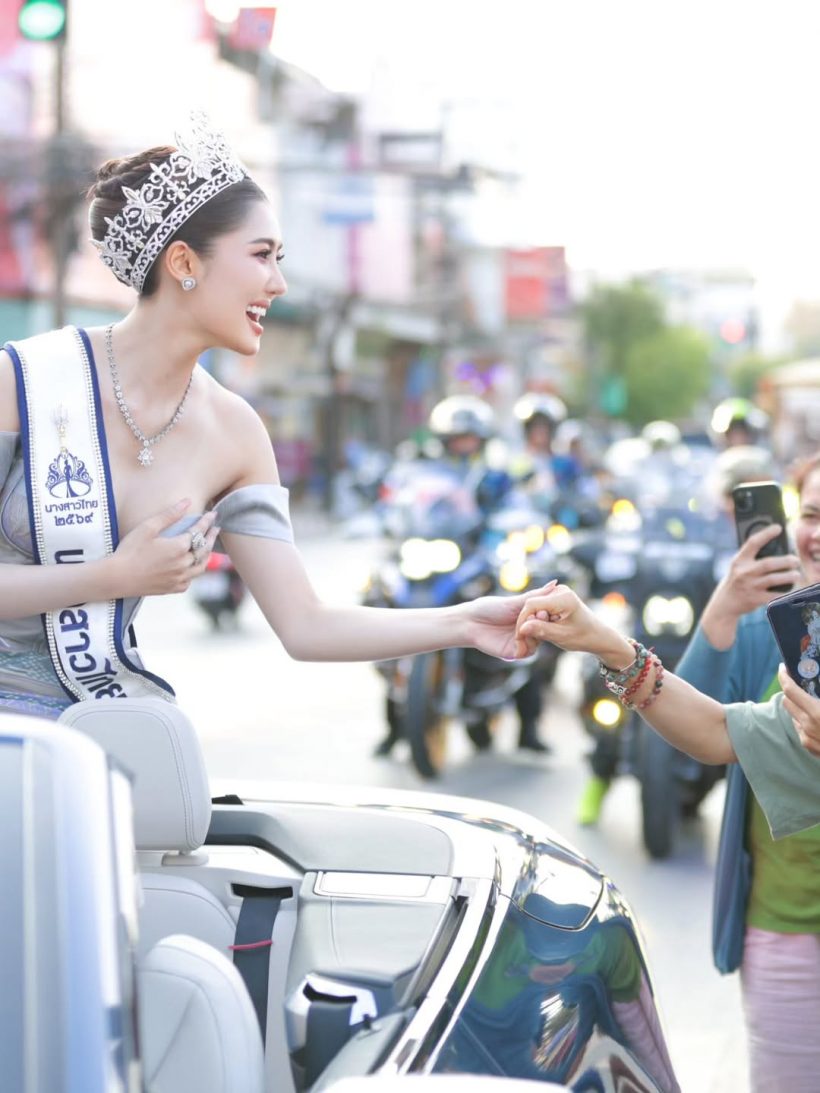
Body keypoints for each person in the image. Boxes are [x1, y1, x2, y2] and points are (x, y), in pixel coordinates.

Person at [0, 115, 544, 722]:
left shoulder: (234, 432)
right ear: (184, 261)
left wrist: (465, 622)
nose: (279, 283)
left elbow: (305, 625)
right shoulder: (20, 383)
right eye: (262, 256)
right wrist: (112, 577)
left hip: (93, 727)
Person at [514, 557, 820, 1093]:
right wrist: (609, 645)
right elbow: (713, 729)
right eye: (812, 513)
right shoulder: (782, 647)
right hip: (786, 935)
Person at [672, 452, 820, 1093]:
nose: (818, 532)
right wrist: (722, 612)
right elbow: (685, 741)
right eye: (811, 513)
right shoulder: (767, 628)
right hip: (783, 933)